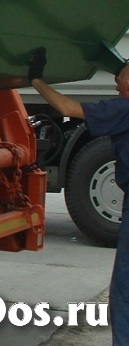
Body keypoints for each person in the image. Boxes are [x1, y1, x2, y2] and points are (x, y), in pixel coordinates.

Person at [28, 47, 128, 346]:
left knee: (124, 292)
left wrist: (36, 81)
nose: (115, 84)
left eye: (121, 79)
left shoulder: (123, 110)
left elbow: (68, 108)